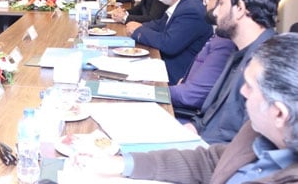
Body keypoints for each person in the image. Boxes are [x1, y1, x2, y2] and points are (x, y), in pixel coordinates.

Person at [78, 34, 298, 183]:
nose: (242, 92)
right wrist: (124, 163)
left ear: (279, 113)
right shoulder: (257, 131)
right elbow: (212, 161)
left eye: (250, 87)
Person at [186, 0, 279, 144]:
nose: (215, 12)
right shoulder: (239, 51)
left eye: (221, 3)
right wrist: (192, 128)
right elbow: (210, 115)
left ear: (240, 9)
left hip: (213, 159)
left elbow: (244, 148)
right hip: (199, 141)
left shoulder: (267, 67)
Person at [126, 0, 213, 84]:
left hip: (176, 78)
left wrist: (138, 31)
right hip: (164, 66)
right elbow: (158, 25)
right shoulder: (183, 4)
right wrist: (135, 26)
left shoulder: (191, 10)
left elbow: (169, 44)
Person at [169, 0, 235, 111]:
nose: (205, 4)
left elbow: (190, 96)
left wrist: (147, 91)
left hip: (186, 114)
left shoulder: (225, 43)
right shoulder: (220, 36)